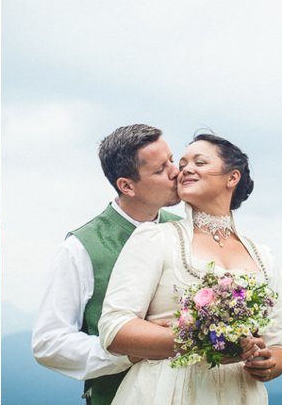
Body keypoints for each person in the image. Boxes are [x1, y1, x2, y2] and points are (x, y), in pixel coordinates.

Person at [98, 134, 282, 404]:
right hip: (167, 390)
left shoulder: (264, 257)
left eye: (199, 162)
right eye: (183, 162)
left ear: (231, 178)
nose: (185, 169)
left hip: (240, 392)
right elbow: (113, 329)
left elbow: (277, 344)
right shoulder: (154, 238)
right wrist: (201, 341)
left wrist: (269, 363)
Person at [32, 124, 182, 404]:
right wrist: (129, 351)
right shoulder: (80, 248)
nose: (176, 172)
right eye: (161, 169)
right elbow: (48, 342)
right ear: (127, 185)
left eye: (172, 160)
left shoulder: (185, 232)